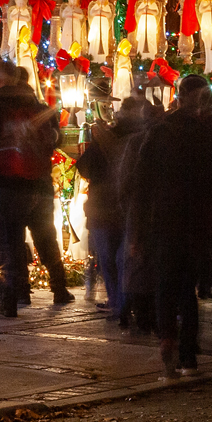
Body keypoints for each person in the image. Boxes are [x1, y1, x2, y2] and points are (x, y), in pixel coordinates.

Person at [134, 75, 212, 377]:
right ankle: (188, 355)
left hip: (164, 219)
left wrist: (137, 228)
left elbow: (141, 183)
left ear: (178, 95)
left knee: (164, 283)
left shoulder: (161, 132)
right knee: (188, 289)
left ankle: (167, 337)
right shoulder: (209, 134)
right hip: (196, 220)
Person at [0, 60, 73, 317]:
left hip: (5, 184)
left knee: (9, 240)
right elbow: (57, 140)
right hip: (39, 182)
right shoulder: (40, 107)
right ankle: (59, 287)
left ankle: (12, 296)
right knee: (46, 236)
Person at [111, 96, 159, 334]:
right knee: (144, 263)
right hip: (159, 212)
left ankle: (136, 313)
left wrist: (126, 207)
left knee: (136, 261)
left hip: (140, 210)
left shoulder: (136, 143)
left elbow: (125, 182)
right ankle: (147, 313)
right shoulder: (161, 141)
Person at [75, 102, 127, 311]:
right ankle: (126, 301)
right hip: (123, 207)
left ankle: (116, 301)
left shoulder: (104, 141)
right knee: (122, 257)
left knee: (107, 258)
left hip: (102, 207)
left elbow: (84, 167)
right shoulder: (139, 138)